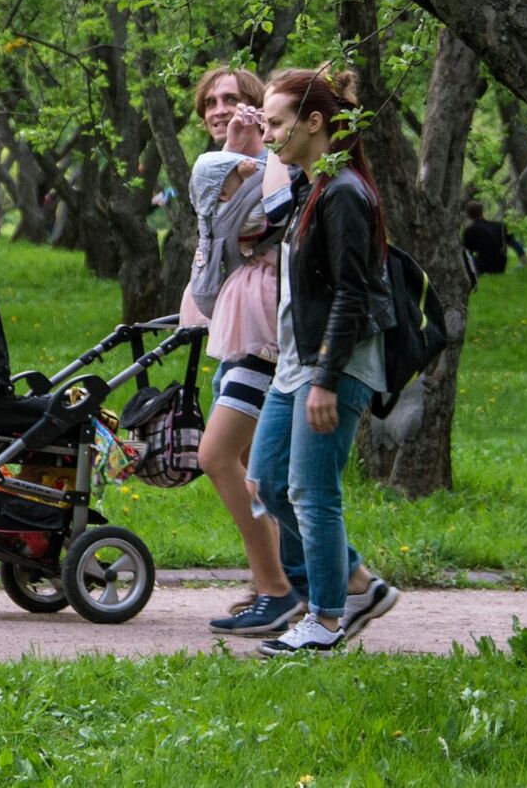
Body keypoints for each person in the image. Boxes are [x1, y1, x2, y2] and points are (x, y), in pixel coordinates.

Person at [249, 67, 401, 656]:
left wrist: (326, 381)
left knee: (312, 492)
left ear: (315, 124)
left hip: (332, 366)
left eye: (278, 125)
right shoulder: (314, 185)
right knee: (267, 482)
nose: (269, 136)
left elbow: (352, 294)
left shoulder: (343, 194)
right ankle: (357, 583)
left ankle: (327, 619)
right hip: (299, 363)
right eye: (265, 124)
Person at [176, 67, 301, 637]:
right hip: (237, 325)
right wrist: (235, 157)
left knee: (219, 457)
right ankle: (276, 580)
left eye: (234, 100)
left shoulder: (274, 166)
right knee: (255, 469)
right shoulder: (216, 167)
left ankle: (284, 586)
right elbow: (213, 248)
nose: (221, 109)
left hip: (265, 330)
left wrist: (253, 155)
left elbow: (256, 221)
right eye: (212, 102)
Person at [460, 200, 523, 274]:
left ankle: (470, 277)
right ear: (482, 212)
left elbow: (469, 252)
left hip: (483, 267)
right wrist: (525, 263)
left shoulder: (469, 231)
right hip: (500, 266)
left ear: (468, 215)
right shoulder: (499, 226)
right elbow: (515, 244)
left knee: (464, 252)